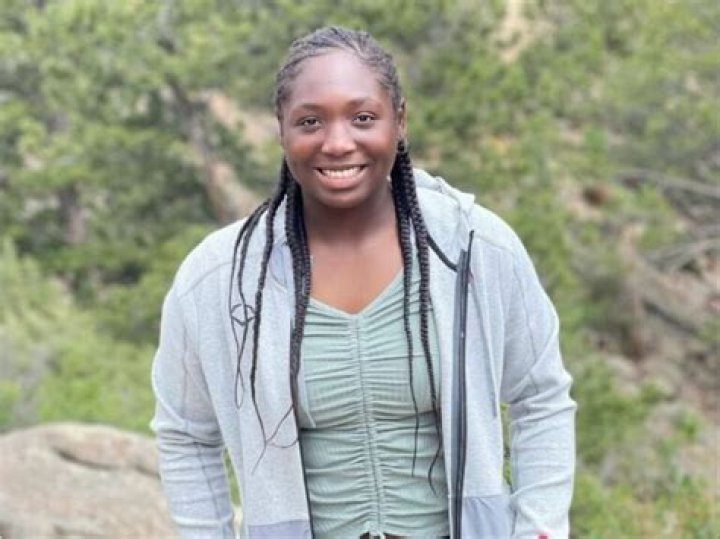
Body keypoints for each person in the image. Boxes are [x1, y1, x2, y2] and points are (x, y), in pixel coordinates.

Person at [151, 26, 576, 539]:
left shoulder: (473, 248)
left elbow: (540, 397)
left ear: (400, 122)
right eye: (310, 121)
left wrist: (538, 528)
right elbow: (186, 435)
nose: (337, 142)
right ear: (282, 131)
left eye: (363, 118)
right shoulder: (222, 278)